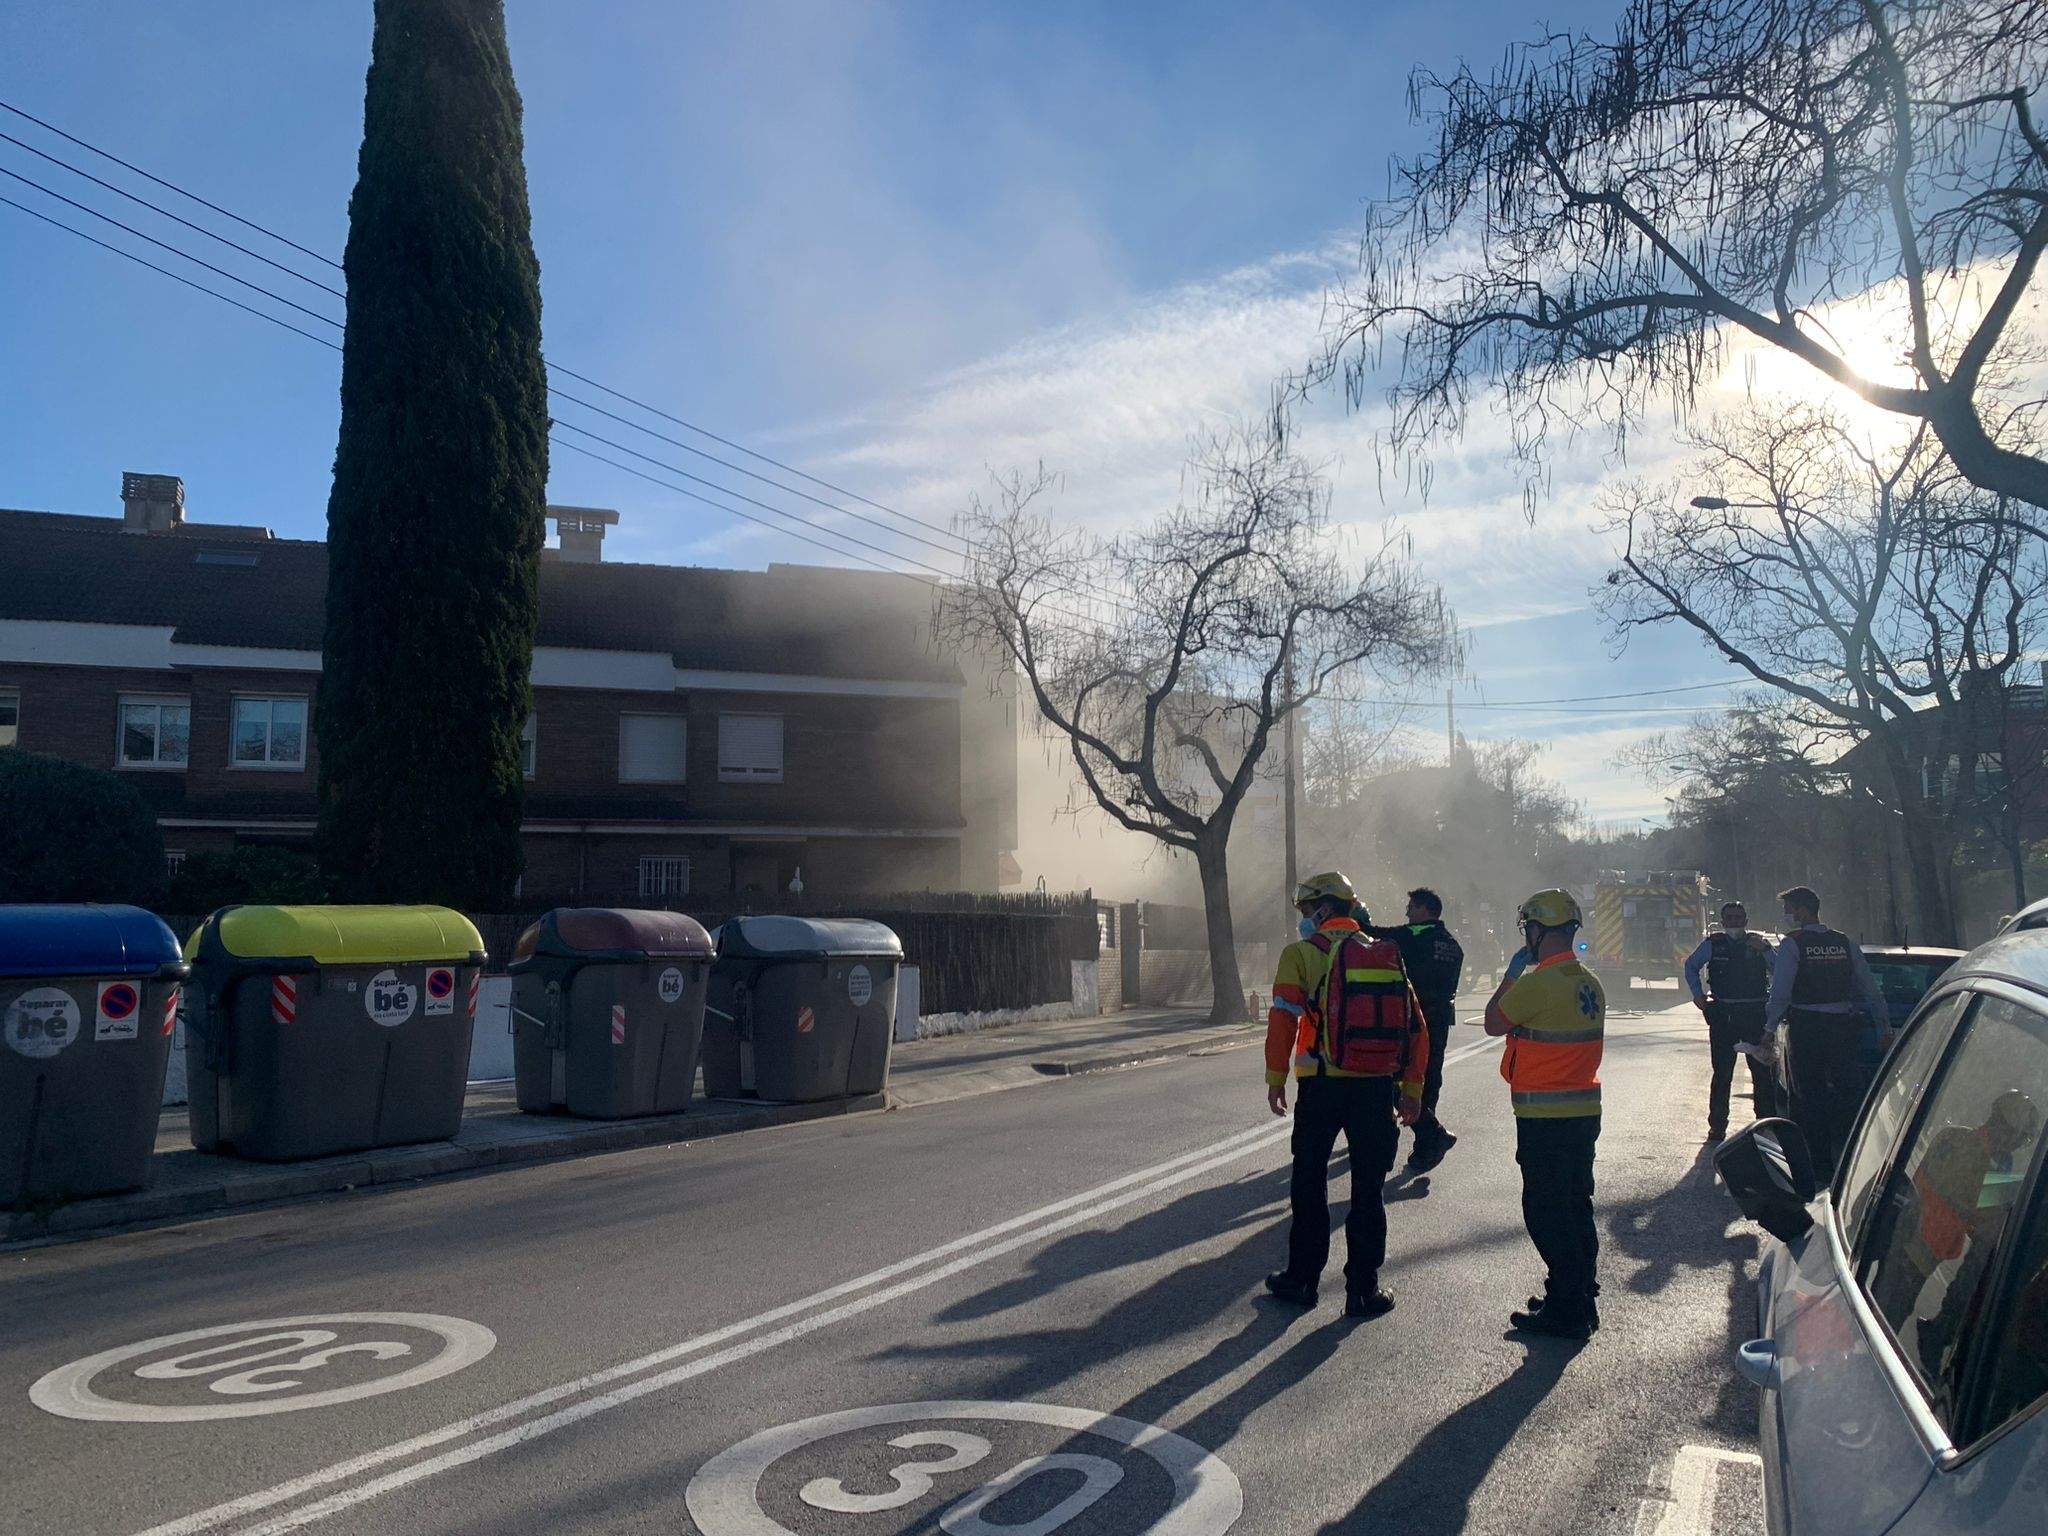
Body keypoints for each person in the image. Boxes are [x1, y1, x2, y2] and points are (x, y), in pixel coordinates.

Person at [1263, 870, 1427, 1319]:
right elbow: (1417, 1029)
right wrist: (1411, 1090)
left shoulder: (1300, 954)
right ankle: (1363, 1291)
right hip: (1375, 1087)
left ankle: (1302, 1280)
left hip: (1320, 1087)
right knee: (1368, 1190)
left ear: (1322, 908)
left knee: (1310, 1184)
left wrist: (1275, 1076)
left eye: (1304, 911)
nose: (1302, 919)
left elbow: (1283, 1022)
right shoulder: (1384, 955)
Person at [1484, 887, 1605, 1340]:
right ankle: (1574, 1292)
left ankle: (1567, 1310)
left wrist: (1512, 976)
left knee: (1546, 1212)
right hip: (1583, 1111)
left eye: (1529, 928)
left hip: (1544, 1118)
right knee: (1576, 1205)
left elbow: (1494, 1022)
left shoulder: (1536, 984)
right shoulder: (1589, 982)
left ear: (1538, 931)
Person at [1764, 885, 1887, 1178]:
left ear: (1803, 910)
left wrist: (1769, 1028)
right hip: (1843, 1028)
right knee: (1848, 1093)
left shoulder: (1794, 944)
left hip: (1807, 1028)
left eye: (1789, 910)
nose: (1786, 916)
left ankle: (1818, 1166)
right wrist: (1883, 1026)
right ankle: (1852, 1159)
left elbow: (1780, 992)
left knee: (1808, 1097)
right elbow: (1871, 988)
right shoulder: (1844, 943)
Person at [1367, 887, 1466, 1170]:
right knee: (1429, 1080)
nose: (1407, 912)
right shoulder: (1452, 944)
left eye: (1411, 906)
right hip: (1440, 1022)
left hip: (1412, 1023)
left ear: (1425, 909)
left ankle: (1432, 1135)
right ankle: (1425, 1148)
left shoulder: (1414, 936)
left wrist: (1349, 914)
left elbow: (1373, 933)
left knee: (1396, 1081)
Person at [1682, 901, 1779, 1142]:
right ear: (1723, 922)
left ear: (1746, 921)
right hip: (1724, 1015)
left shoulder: (1758, 944)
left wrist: (1766, 950)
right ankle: (1717, 1126)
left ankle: (1765, 1124)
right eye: (1730, 918)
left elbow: (1779, 969)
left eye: (1738, 918)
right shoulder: (1713, 944)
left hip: (1754, 1014)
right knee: (1722, 1074)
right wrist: (1697, 994)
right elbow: (1691, 965)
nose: (1734, 922)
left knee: (1761, 1073)